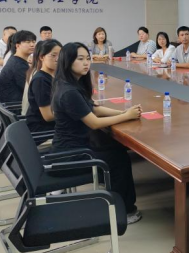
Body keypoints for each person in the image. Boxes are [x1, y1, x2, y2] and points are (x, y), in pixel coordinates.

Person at [50, 42, 143, 224]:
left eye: (88, 58)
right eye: (80, 59)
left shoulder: (70, 84)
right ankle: (125, 212)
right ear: (67, 61)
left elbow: (94, 108)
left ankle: (116, 198)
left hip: (75, 147)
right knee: (118, 159)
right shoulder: (69, 92)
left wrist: (124, 112)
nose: (86, 63)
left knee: (115, 147)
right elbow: (94, 122)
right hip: (70, 155)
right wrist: (125, 116)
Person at [25, 39, 62, 135]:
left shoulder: (55, 76)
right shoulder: (41, 80)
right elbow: (48, 116)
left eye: (60, 55)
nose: (57, 59)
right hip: (42, 130)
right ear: (42, 57)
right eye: (53, 55)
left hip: (54, 125)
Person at [0, 30, 37, 103]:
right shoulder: (18, 65)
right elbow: (32, 90)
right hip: (16, 105)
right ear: (17, 45)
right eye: (28, 42)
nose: (32, 45)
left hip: (15, 101)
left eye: (33, 42)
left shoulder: (15, 59)